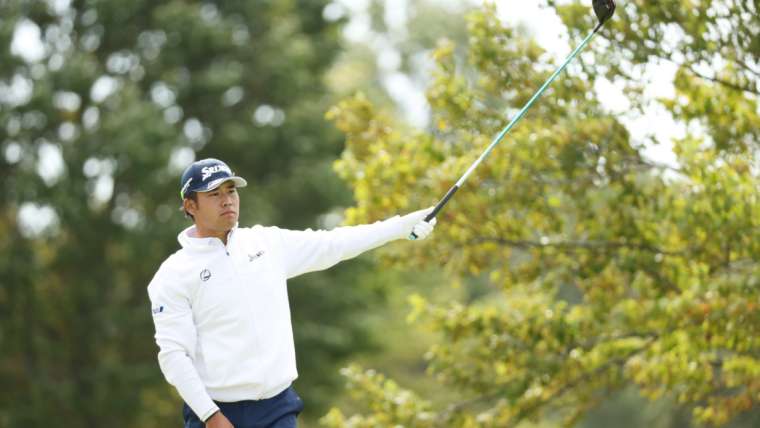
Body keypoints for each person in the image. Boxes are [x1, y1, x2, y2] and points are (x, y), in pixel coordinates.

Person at [147, 158, 436, 428]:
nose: (227, 200)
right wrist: (210, 415)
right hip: (215, 412)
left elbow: (334, 243)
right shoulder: (173, 275)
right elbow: (174, 355)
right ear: (190, 205)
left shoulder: (266, 243)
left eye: (231, 191)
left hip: (277, 407)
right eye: (214, 194)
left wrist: (401, 226)